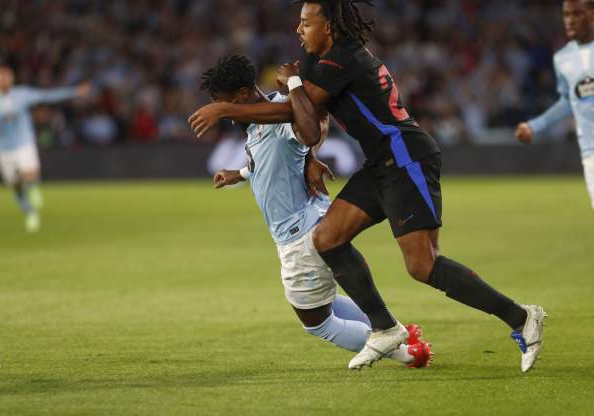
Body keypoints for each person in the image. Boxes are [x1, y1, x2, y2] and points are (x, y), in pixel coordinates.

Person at [189, 1, 545, 372]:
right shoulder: (314, 61)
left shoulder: (343, 58)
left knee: (423, 265)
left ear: (328, 26)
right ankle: (385, 328)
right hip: (379, 163)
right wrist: (302, 153)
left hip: (407, 157)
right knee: (326, 238)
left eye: (306, 23)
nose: (298, 30)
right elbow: (309, 116)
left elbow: (297, 115)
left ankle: (521, 317)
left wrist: (227, 109)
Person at [205, 54, 432, 368]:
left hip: (300, 235)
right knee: (325, 304)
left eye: (221, 102)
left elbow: (313, 126)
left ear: (241, 96)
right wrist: (242, 173)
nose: (223, 113)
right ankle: (397, 332)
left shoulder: (282, 109)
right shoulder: (261, 120)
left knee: (317, 323)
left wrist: (308, 144)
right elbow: (275, 159)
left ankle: (404, 350)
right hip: (308, 223)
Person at [0, 65, 91, 232]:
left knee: (30, 173)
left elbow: (47, 96)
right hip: (3, 148)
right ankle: (31, 213)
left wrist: (74, 91)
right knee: (16, 185)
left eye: (6, 77)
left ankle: (33, 188)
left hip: (23, 142)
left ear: (12, 79)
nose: (3, 80)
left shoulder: (22, 94)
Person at [515, 0, 594, 209]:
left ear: (592, 15)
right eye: (566, 15)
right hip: (590, 153)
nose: (570, 21)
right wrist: (534, 126)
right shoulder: (563, 58)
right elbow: (568, 101)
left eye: (577, 14)